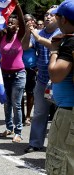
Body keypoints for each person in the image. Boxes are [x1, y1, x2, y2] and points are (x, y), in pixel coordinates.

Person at [22, 6, 61, 152]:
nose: (48, 17)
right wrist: (27, 32)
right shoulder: (38, 32)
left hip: (60, 80)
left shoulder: (62, 32)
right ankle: (35, 143)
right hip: (43, 80)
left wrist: (37, 36)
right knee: (39, 113)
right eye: (46, 14)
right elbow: (25, 46)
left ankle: (56, 146)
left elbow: (52, 45)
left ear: (59, 18)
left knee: (60, 115)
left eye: (52, 15)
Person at [46, 1, 74, 174]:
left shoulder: (70, 43)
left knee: (62, 164)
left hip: (68, 114)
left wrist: (54, 51)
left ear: (63, 19)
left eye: (56, 16)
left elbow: (56, 75)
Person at [0, 0, 26, 143]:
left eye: (12, 23)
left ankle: (18, 132)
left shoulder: (19, 36)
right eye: (8, 22)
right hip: (4, 74)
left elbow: (22, 21)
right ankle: (9, 127)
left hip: (18, 75)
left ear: (17, 26)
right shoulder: (2, 36)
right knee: (7, 103)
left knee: (16, 104)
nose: (10, 24)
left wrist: (18, 6)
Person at [21, 14, 38, 126]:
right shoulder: (18, 33)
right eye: (24, 21)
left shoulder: (36, 34)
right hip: (19, 68)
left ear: (32, 22)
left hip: (32, 67)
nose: (26, 23)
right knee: (20, 94)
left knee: (30, 93)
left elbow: (28, 46)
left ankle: (28, 116)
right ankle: (21, 116)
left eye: (28, 20)